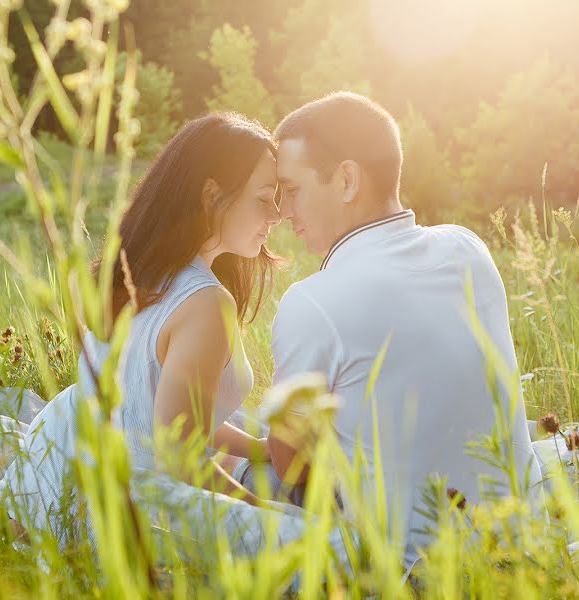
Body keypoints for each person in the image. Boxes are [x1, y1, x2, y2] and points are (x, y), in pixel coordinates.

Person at [0, 112, 349, 563]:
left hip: (71, 469)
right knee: (338, 549)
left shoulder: (146, 273)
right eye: (264, 198)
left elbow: (163, 412)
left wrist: (256, 450)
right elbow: (179, 455)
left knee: (266, 444)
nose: (278, 214)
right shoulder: (204, 304)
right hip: (138, 502)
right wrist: (263, 512)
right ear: (212, 196)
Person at [230, 92, 544, 568]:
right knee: (242, 424)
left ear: (347, 179)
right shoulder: (468, 249)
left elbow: (290, 466)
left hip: (412, 564)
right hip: (520, 538)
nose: (282, 212)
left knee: (230, 467)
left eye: (291, 190)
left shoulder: (313, 302)